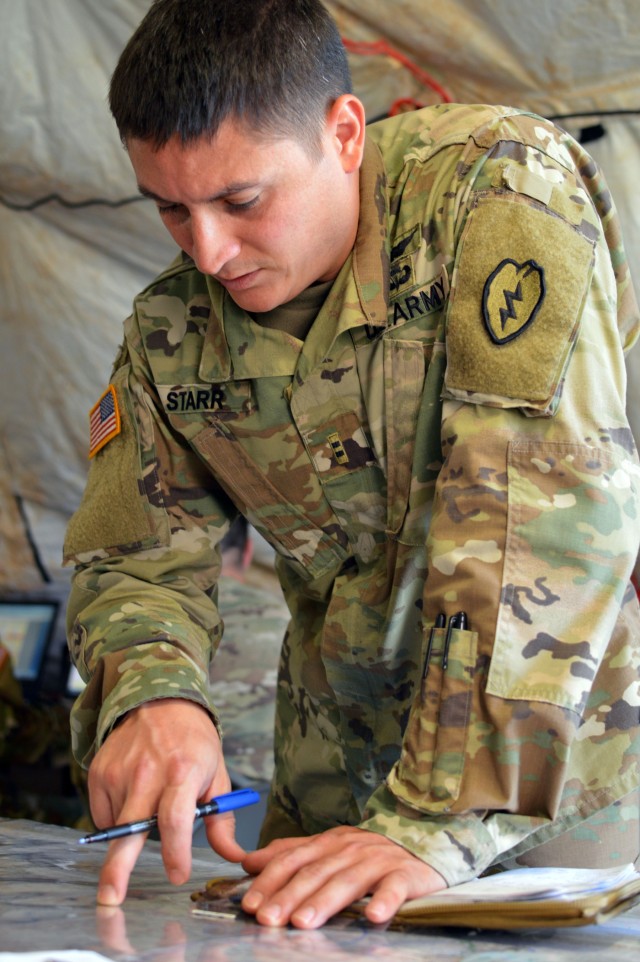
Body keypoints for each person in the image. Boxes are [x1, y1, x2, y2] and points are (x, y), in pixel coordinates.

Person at [63, 0, 640, 930]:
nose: (208, 250)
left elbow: (542, 513)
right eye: (171, 207)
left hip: (546, 816)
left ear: (343, 132)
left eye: (242, 201)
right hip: (330, 817)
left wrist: (432, 819)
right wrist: (154, 690)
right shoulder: (173, 333)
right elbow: (136, 552)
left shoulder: (494, 190)